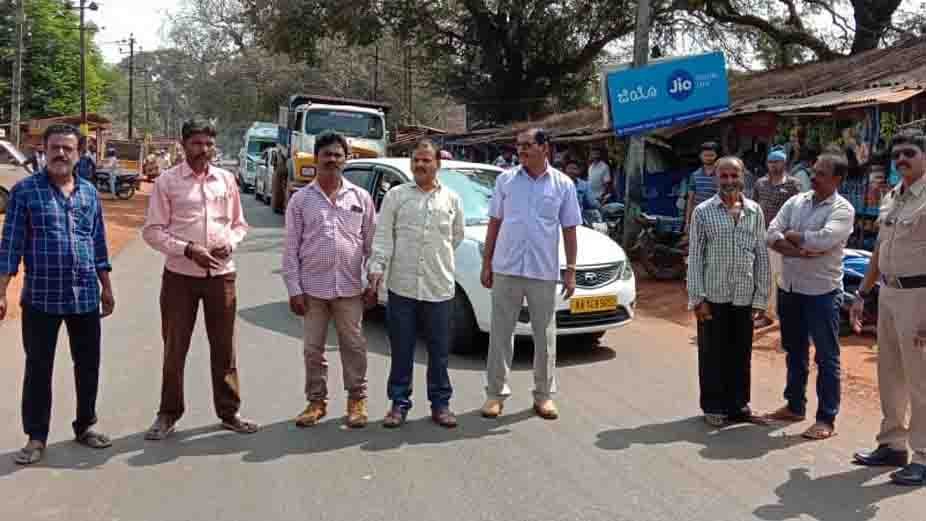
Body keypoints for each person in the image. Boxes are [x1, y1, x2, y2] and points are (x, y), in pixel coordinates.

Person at [0, 124, 115, 465]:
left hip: (84, 297)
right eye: (55, 148)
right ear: (44, 151)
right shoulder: (25, 192)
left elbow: (98, 244)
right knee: (38, 368)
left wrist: (106, 288)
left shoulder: (89, 194)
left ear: (79, 153)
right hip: (41, 299)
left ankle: (85, 426)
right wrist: (2, 292)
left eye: (68, 148)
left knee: (88, 365)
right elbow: (10, 247)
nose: (61, 154)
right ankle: (36, 437)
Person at [141, 119, 257, 440]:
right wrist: (188, 249)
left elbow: (239, 225)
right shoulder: (167, 182)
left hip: (221, 276)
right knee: (175, 348)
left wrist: (229, 243)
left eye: (208, 144)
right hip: (180, 277)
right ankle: (168, 413)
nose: (203, 150)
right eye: (196, 143)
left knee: (224, 348)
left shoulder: (226, 180)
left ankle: (229, 412)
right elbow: (152, 231)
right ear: (183, 145)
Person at [480, 128, 581, 421]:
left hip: (543, 271)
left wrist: (571, 270)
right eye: (519, 145)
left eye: (527, 145)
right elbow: (494, 223)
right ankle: (495, 395)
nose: (521, 150)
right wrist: (487, 262)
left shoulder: (563, 185)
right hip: (507, 267)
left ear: (544, 147)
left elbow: (570, 229)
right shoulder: (505, 180)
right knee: (500, 333)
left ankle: (544, 396)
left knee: (545, 336)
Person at [368, 140, 465, 429]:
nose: (420, 165)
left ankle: (441, 404)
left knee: (439, 351)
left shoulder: (451, 199)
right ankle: (399, 404)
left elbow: (456, 237)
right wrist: (376, 269)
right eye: (416, 160)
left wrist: (436, 260)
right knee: (401, 349)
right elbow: (384, 236)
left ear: (438, 164)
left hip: (439, 288)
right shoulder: (396, 197)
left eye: (426, 160)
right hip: (402, 288)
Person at [283, 131, 376, 429]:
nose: (332, 160)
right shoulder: (300, 200)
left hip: (350, 289)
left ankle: (356, 400)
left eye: (338, 155)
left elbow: (372, 246)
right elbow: (290, 249)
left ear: (346, 159)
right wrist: (294, 290)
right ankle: (316, 402)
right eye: (327, 154)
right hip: (313, 290)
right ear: (316, 158)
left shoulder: (360, 198)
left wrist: (374, 283)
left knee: (355, 345)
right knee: (313, 349)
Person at [762, 153, 855, 440]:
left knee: (827, 356)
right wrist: (800, 249)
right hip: (790, 288)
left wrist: (792, 237)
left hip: (822, 292)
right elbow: (770, 234)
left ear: (837, 179)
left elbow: (824, 240)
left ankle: (826, 418)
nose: (813, 177)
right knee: (794, 349)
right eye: (814, 171)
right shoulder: (796, 201)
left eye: (821, 174)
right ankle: (794, 405)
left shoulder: (843, 209)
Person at [851, 131, 926, 486]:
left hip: (920, 298)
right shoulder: (894, 197)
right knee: (890, 374)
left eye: (909, 153)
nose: (901, 161)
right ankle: (893, 444)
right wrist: (862, 294)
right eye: (897, 156)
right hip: (890, 294)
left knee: (921, 381)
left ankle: (924, 456)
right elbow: (880, 250)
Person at [687, 156, 770, 427]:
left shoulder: (755, 211)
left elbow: (761, 255)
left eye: (734, 175)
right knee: (712, 353)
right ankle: (713, 406)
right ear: (716, 179)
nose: (729, 181)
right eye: (723, 176)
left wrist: (761, 298)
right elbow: (696, 256)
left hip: (744, 295)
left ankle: (738, 405)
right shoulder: (702, 212)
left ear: (743, 176)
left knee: (740, 352)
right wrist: (698, 298)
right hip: (714, 295)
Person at [751, 147, 802, 328]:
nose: (773, 165)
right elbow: (754, 208)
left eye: (777, 161)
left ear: (784, 163)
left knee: (779, 276)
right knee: (762, 275)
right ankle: (765, 311)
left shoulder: (793, 184)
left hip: (782, 239)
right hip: (761, 235)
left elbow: (799, 211)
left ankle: (773, 314)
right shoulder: (760, 184)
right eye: (771, 162)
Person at [684, 142, 722, 234]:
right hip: (699, 217)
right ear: (700, 156)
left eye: (711, 155)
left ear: (717, 156)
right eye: (705, 155)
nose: (708, 158)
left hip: (717, 219)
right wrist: (687, 222)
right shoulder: (694, 175)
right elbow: (690, 200)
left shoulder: (721, 175)